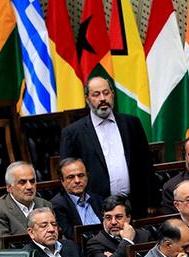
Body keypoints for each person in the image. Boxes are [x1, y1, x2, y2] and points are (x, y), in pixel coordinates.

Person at [59, 76, 153, 218]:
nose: (102, 98)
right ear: (87, 99)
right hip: (96, 207)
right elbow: (68, 173)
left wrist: (151, 201)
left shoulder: (131, 123)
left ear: (112, 95)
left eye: (106, 93)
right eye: (96, 94)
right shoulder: (73, 133)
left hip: (135, 204)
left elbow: (146, 163)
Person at [85, 196, 153, 257]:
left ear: (128, 217)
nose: (113, 222)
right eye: (108, 218)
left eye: (118, 217)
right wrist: (127, 241)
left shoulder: (145, 235)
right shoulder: (95, 243)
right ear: (103, 219)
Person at [0, 162, 51, 241]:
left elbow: (57, 236)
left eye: (32, 181)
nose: (29, 186)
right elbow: (5, 247)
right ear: (9, 187)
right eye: (22, 182)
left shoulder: (45, 205)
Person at [51, 158, 103, 240]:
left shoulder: (98, 199)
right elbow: (71, 236)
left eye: (81, 175)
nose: (77, 180)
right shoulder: (57, 205)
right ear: (62, 180)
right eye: (71, 177)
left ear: (87, 176)